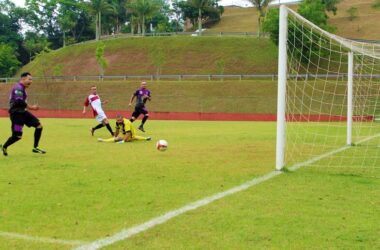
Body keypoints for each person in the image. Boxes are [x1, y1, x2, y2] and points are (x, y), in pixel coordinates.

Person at [0, 72, 46, 156]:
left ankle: (35, 147)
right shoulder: (18, 88)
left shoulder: (22, 88)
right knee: (17, 136)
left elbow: (21, 102)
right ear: (23, 79)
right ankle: (4, 146)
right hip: (17, 114)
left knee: (39, 126)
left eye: (31, 79)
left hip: (23, 112)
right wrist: (32, 107)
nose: (31, 81)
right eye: (29, 79)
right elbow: (19, 101)